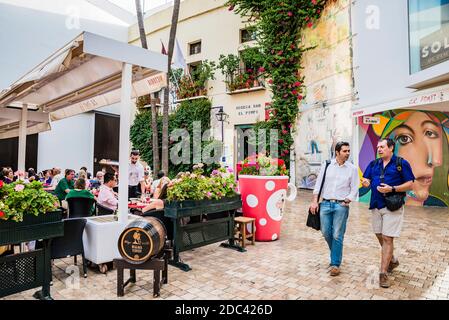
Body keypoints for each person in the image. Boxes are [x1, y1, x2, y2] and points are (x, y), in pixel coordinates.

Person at [362, 138, 415, 288]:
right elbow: (365, 179)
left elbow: (410, 183)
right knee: (379, 235)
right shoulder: (374, 164)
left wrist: (392, 189)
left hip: (393, 206)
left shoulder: (400, 163)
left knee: (387, 238)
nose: (379, 149)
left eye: (382, 147)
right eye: (378, 147)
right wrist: (365, 182)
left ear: (391, 148)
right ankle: (392, 260)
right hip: (376, 205)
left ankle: (383, 273)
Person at [309, 141, 359, 276]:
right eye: (345, 151)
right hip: (325, 204)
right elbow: (318, 184)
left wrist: (348, 199)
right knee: (326, 232)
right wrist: (314, 201)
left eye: (348, 151)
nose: (347, 153)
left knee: (337, 234)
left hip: (341, 205)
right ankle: (335, 253)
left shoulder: (352, 169)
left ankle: (335, 264)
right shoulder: (327, 165)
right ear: (337, 152)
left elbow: (355, 188)